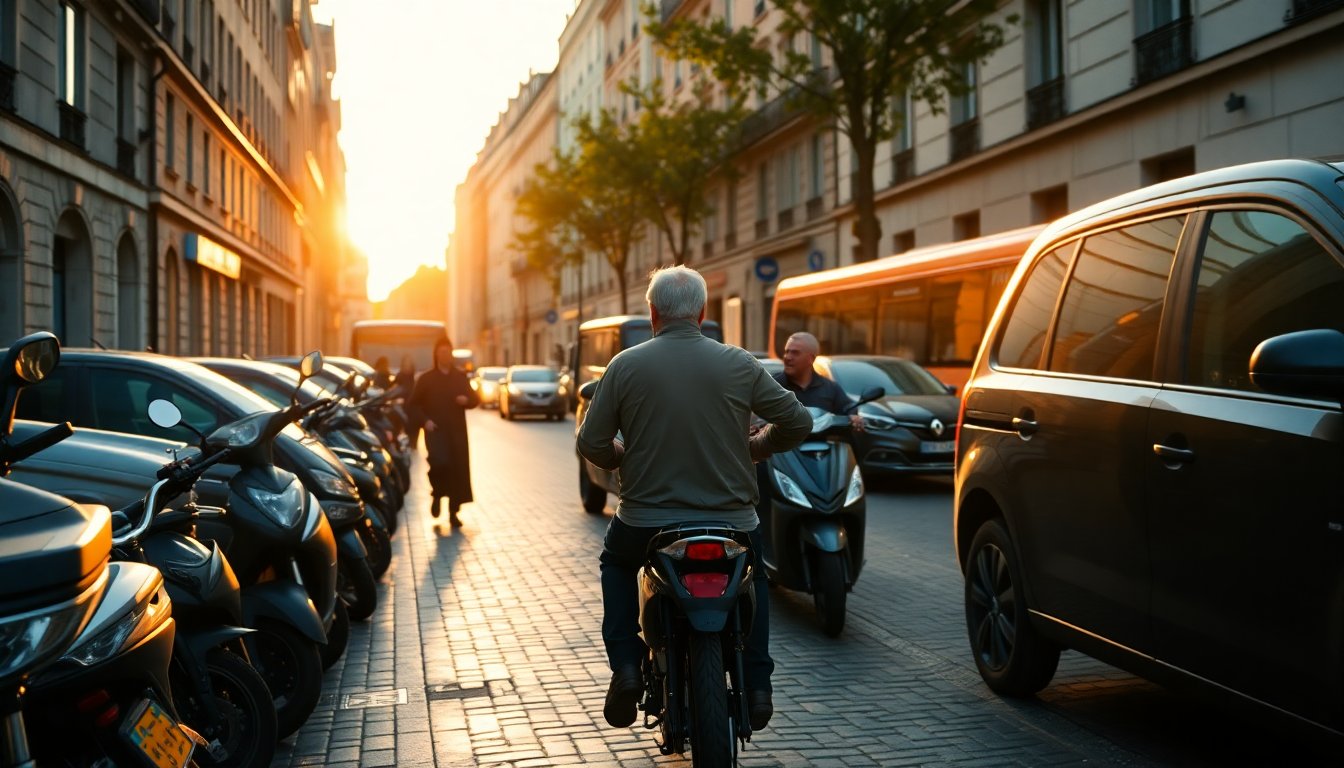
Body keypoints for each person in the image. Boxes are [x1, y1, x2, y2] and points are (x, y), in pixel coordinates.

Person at [577, 266, 812, 733]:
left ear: (653, 312)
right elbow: (798, 422)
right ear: (702, 313)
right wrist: (755, 447)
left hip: (646, 519)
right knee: (755, 578)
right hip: (732, 520)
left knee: (616, 565)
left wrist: (620, 456)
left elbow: (591, 442)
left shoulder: (626, 365)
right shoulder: (740, 363)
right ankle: (758, 685)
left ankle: (626, 666)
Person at [407, 337, 479, 526]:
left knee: (457, 469)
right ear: (436, 354)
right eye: (442, 352)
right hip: (436, 432)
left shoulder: (460, 376)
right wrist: (425, 421)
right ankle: (437, 494)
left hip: (457, 432)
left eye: (448, 352)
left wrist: (467, 400)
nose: (445, 355)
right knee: (440, 464)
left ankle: (454, 512)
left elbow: (475, 399)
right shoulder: (426, 378)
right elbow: (413, 405)